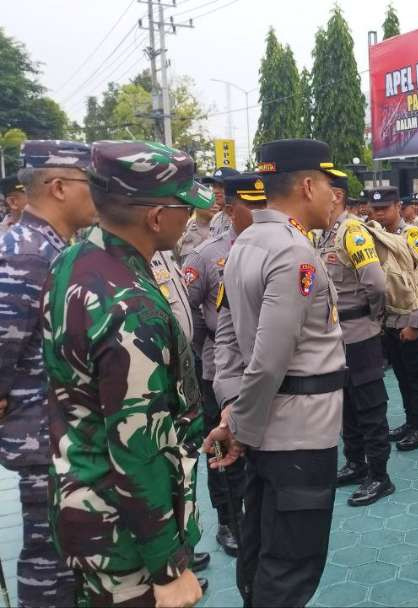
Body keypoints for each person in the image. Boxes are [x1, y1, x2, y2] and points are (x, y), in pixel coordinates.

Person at [43, 141, 211, 607]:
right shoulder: (130, 308)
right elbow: (137, 446)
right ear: (156, 217)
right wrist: (169, 566)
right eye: (184, 206)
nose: (190, 217)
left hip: (82, 500)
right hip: (124, 538)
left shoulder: (73, 261)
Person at [204, 139, 347, 607]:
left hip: (264, 426)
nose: (333, 196)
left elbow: (225, 338)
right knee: (291, 564)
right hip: (299, 434)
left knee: (262, 550)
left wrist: (230, 408)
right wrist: (239, 427)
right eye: (329, 184)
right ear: (307, 185)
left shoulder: (245, 242)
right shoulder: (293, 251)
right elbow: (270, 355)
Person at [0, 140, 95, 608]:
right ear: (58, 187)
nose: (96, 193)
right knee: (50, 558)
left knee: (67, 551)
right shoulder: (26, 251)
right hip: (41, 434)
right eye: (88, 182)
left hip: (59, 429)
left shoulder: (54, 247)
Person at [181, 173, 268, 556]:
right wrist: (205, 360)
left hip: (261, 363)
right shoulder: (207, 254)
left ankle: (259, 514)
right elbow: (191, 315)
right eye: (255, 206)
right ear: (232, 209)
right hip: (220, 368)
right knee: (222, 446)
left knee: (258, 443)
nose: (265, 212)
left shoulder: (274, 247)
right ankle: (228, 519)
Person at [312, 176, 396, 507]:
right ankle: (355, 462)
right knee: (345, 402)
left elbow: (375, 283)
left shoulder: (353, 232)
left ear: (336, 196)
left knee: (370, 404)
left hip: (359, 331)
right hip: (335, 334)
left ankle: (379, 475)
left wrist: (372, 316)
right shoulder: (325, 234)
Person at [368, 186, 418, 451]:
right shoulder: (379, 236)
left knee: (416, 376)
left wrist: (414, 323)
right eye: (375, 210)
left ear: (397, 206)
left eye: (384, 208)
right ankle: (410, 422)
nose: (379, 214)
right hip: (390, 320)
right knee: (402, 376)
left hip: (410, 320)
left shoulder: (413, 235)